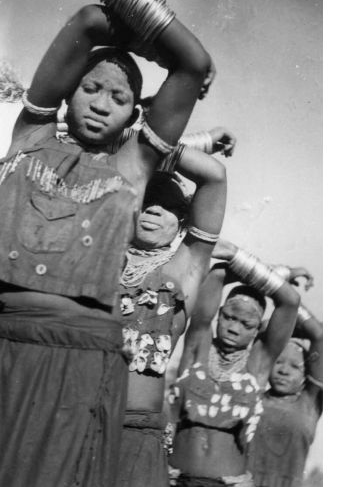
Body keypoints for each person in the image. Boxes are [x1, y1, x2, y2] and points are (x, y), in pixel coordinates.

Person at [0, 0, 212, 487]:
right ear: (67, 92)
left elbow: (194, 64)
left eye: (119, 97)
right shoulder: (30, 139)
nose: (101, 103)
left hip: (79, 366)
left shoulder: (134, 170)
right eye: (92, 87)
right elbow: (88, 21)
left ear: (137, 115)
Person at [116, 126, 234, 487]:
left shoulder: (186, 267)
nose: (153, 209)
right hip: (69, 413)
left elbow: (215, 176)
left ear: (183, 224)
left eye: (167, 206)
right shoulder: (99, 253)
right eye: (147, 199)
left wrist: (196, 143)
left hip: (134, 430)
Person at [168, 240, 301, 487]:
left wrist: (244, 260)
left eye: (246, 324)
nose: (233, 327)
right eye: (228, 317)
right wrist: (267, 271)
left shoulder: (258, 363)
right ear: (219, 315)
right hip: (176, 479)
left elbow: (290, 301)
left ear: (257, 330)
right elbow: (217, 273)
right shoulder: (198, 346)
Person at [245, 305, 323, 487]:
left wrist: (289, 302)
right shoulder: (253, 395)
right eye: (278, 362)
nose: (283, 370)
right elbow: (263, 332)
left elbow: (320, 337)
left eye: (295, 366)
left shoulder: (309, 404)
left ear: (306, 375)